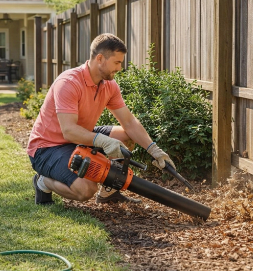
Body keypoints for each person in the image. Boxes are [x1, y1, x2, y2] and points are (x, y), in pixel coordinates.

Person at [27, 33, 175, 205]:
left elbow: (129, 122)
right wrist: (103, 141)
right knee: (86, 190)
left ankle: (108, 192)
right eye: (117, 62)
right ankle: (42, 181)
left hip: (80, 137)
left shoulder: (109, 85)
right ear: (100, 58)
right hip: (47, 148)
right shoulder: (68, 83)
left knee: (126, 135)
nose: (120, 68)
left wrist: (154, 150)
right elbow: (68, 131)